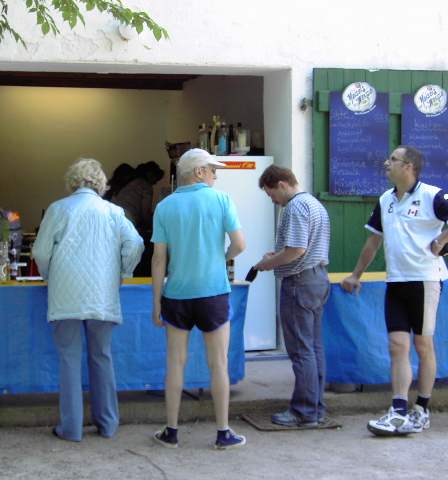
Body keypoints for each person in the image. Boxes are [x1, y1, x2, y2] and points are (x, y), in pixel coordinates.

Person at [32, 158, 144, 442]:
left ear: (72, 182)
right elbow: (136, 244)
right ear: (101, 184)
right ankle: (107, 424)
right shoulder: (113, 211)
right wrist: (123, 271)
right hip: (102, 294)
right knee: (102, 356)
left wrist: (49, 276)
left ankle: (70, 429)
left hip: (65, 294)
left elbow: (41, 252)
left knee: (69, 359)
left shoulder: (58, 209)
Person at [341, 146, 448, 436]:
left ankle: (421, 410)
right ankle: (398, 410)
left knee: (422, 346)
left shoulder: (433, 196)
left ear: (409, 166)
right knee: (396, 346)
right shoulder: (385, 199)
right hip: (396, 281)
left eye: (393, 159)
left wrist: (442, 240)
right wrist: (355, 275)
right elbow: (373, 242)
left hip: (425, 279)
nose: (386, 163)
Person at [150, 148, 246, 450]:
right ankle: (222, 432)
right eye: (213, 170)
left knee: (175, 363)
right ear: (199, 172)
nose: (216, 176)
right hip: (213, 292)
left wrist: (156, 303)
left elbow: (158, 259)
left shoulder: (164, 206)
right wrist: (222, 257)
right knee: (218, 364)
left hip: (176, 294)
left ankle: (171, 431)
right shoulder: (221, 200)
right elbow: (240, 245)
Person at [254, 165, 330, 428]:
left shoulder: (295, 207)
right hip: (318, 279)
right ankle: (317, 408)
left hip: (299, 282)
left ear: (282, 184)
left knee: (300, 350)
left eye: (271, 193)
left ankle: (304, 411)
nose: (272, 200)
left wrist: (268, 263)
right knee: (314, 348)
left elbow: (296, 250)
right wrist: (275, 256)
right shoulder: (315, 204)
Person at [112, 161, 165, 276]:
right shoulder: (145, 186)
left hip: (114, 219)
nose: (154, 184)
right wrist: (156, 228)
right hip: (127, 220)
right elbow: (145, 213)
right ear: (151, 175)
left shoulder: (130, 182)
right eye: (155, 180)